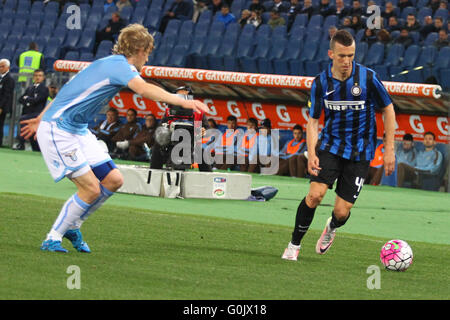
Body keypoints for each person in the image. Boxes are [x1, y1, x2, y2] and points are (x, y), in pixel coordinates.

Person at [20, 24, 209, 253]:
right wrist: (183, 101)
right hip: (59, 130)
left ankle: (73, 225)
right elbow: (143, 89)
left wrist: (41, 116)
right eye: (147, 52)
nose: (147, 59)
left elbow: (69, 90)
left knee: (114, 179)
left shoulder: (105, 64)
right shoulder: (120, 67)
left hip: (76, 129)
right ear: (139, 49)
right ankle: (52, 238)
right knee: (90, 189)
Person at [281, 30, 396, 261]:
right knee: (315, 195)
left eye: (351, 56)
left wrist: (389, 149)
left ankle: (332, 227)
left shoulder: (369, 78)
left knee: (342, 211)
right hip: (331, 147)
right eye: (342, 56)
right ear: (331, 54)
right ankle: (294, 245)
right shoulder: (321, 82)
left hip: (360, 152)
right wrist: (312, 152)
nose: (346, 61)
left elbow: (388, 109)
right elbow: (313, 121)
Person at [151, 85, 211, 171]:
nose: (179, 97)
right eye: (177, 95)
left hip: (191, 142)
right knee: (157, 147)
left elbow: (206, 128)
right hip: (170, 141)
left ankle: (208, 178)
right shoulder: (170, 110)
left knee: (202, 152)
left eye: (182, 95)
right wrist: (165, 130)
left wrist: (203, 131)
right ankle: (153, 173)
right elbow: (161, 127)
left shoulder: (198, 111)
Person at [15, 69, 49, 151]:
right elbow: (20, 99)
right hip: (27, 113)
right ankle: (23, 144)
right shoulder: (30, 88)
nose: (37, 77)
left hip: (36, 114)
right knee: (25, 126)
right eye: (36, 75)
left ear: (43, 78)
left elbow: (37, 100)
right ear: (33, 77)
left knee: (26, 124)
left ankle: (24, 144)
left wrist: (27, 99)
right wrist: (30, 100)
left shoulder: (44, 89)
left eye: (40, 76)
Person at [0, 59, 15, 147]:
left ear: (8, 67)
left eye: (2, 66)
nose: (0, 68)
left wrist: (1, 107)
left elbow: (6, 95)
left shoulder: (9, 79)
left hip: (3, 106)